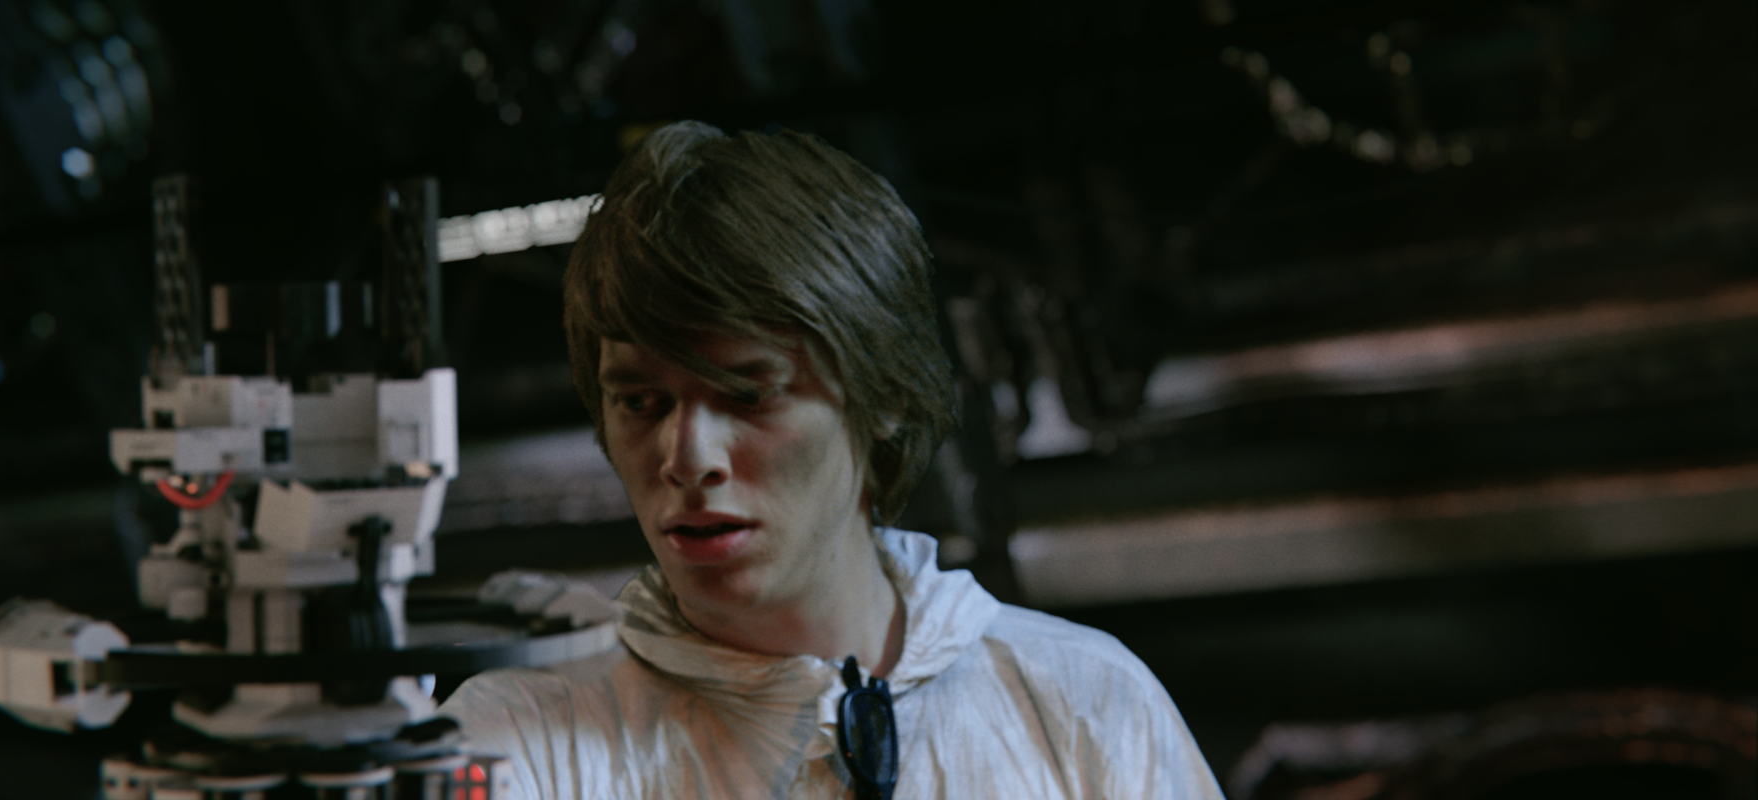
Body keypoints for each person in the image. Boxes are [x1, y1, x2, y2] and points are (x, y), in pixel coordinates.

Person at [439, 121, 1223, 800]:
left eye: (748, 394)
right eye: (641, 402)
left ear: (881, 396)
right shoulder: (513, 741)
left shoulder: (1085, 703)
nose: (688, 457)